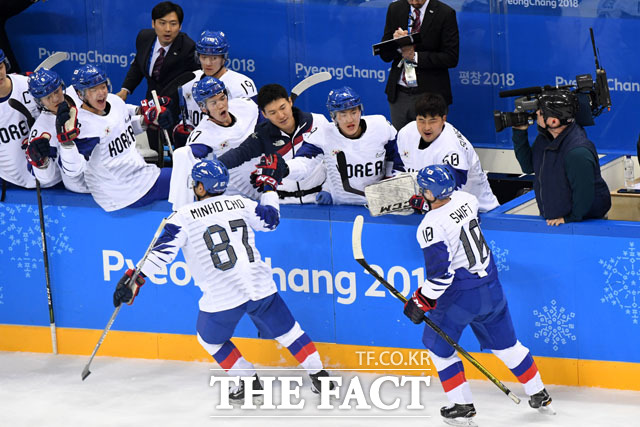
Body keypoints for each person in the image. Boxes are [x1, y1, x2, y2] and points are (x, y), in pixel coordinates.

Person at [113, 159, 333, 402]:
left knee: (209, 340)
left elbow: (160, 254)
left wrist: (135, 279)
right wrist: (269, 188)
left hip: (222, 295)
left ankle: (248, 380)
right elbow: (271, 220)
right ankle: (321, 377)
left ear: (200, 187)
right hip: (259, 285)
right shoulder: (240, 202)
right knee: (290, 333)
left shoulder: (182, 216)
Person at [404, 165, 553, 425]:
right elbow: (458, 222)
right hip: (491, 287)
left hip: (461, 297)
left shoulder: (429, 227)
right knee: (507, 345)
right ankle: (539, 392)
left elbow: (441, 277)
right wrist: (430, 202)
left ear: (432, 192)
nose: (421, 191)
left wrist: (420, 300)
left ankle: (461, 405)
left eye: (424, 189)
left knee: (439, 350)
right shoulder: (467, 200)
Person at [56, 64, 173, 211]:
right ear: (80, 94)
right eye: (93, 89)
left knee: (186, 173)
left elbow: (122, 127)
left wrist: (149, 119)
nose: (101, 93)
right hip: (120, 192)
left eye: (103, 86)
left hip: (140, 175)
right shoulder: (83, 126)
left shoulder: (114, 101)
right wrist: (67, 143)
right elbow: (73, 170)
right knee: (186, 178)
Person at [285, 86, 404, 205]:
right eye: (343, 114)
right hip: (343, 206)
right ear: (333, 117)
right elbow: (304, 162)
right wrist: (285, 168)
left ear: (360, 111)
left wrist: (391, 181)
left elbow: (398, 158)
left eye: (354, 112)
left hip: (380, 203)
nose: (350, 119)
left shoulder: (380, 126)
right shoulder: (323, 134)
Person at [511, 89, 611, 226]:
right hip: (557, 221)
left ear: (553, 121)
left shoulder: (577, 152)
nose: (536, 114)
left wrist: (570, 219)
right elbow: (528, 167)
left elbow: (584, 194)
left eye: (540, 112)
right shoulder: (545, 138)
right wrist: (519, 133)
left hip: (582, 223)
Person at [218, 83, 328, 204]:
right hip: (282, 205)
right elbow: (239, 154)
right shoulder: (263, 134)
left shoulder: (317, 121)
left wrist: (328, 189)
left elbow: (333, 157)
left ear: (290, 102)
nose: (281, 116)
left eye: (282, 107)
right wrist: (214, 165)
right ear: (264, 114)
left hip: (318, 200)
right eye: (272, 112)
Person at [116, 1, 199, 152]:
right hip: (150, 105)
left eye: (173, 24)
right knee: (155, 147)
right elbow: (137, 64)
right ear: (153, 23)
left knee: (176, 151)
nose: (168, 29)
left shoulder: (188, 48)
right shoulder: (144, 37)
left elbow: (196, 79)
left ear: (180, 26)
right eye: (162, 23)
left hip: (175, 111)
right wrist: (125, 90)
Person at [397, 93, 499, 212]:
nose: (426, 127)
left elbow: (452, 188)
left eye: (432, 121)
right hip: (432, 208)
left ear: (443, 119)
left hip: (477, 211)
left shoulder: (452, 147)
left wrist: (424, 201)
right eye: (421, 120)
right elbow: (397, 165)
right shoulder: (406, 133)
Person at [168, 76, 259, 210]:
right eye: (213, 103)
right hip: (235, 196)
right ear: (204, 108)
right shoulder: (203, 135)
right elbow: (188, 158)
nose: (221, 105)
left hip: (265, 178)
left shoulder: (245, 106)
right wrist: (181, 208)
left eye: (222, 98)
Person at [379, 0, 459, 130]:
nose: (414, 1)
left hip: (430, 96)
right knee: (401, 145)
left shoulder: (445, 13)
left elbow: (451, 57)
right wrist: (396, 43)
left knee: (430, 146)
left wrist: (414, 56)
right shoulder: (395, 8)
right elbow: (385, 56)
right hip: (399, 95)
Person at [174, 30, 258, 147]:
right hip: (200, 148)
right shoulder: (189, 82)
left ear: (224, 58)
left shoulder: (242, 85)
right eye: (204, 57)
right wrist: (181, 128)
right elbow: (187, 119)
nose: (208, 63)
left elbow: (253, 124)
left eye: (214, 58)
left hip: (233, 150)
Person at [25, 68, 89, 193]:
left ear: (62, 86)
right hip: (83, 185)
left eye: (57, 91)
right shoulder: (40, 131)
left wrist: (136, 114)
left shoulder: (78, 94)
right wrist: (41, 162)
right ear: (39, 101)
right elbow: (48, 180)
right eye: (48, 97)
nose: (55, 99)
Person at [0, 47, 41, 191]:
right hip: (8, 183)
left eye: (0, 67)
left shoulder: (28, 84)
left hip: (48, 174)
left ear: (6, 65)